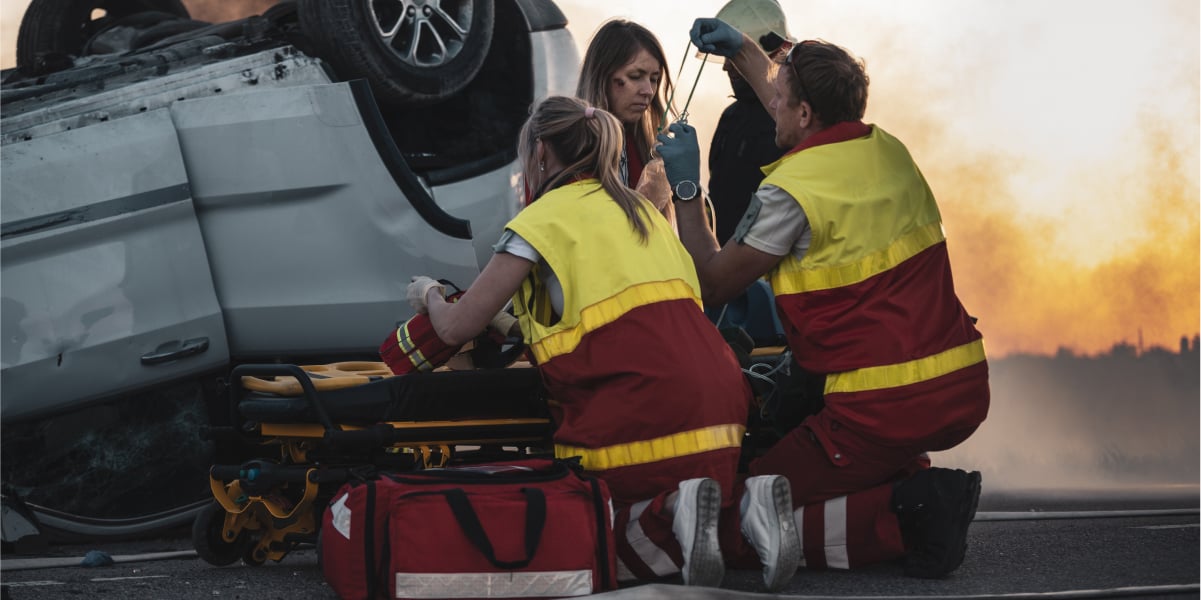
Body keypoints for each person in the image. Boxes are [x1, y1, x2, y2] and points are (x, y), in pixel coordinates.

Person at [407, 96, 798, 590]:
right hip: (722, 412)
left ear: (543, 152)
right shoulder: (644, 213)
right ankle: (746, 508)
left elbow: (456, 328)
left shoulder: (539, 223)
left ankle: (675, 511)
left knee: (597, 541)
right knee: (704, 516)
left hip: (638, 414)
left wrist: (428, 294)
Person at [656, 19, 990, 578]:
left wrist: (686, 188)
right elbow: (802, 110)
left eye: (781, 101)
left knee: (740, 517)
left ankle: (908, 519)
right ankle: (911, 485)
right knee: (836, 479)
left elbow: (713, 282)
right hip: (959, 387)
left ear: (803, 113)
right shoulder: (887, 151)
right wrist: (743, 50)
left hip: (878, 406)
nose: (773, 108)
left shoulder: (791, 192)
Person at [707, 0, 793, 245]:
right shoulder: (731, 118)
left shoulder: (797, 123)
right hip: (729, 266)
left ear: (773, 52)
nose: (725, 67)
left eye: (735, 57)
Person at [577, 19, 676, 225]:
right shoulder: (570, 146)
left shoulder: (646, 149)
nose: (648, 91)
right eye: (636, 76)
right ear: (602, 76)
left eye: (654, 79)